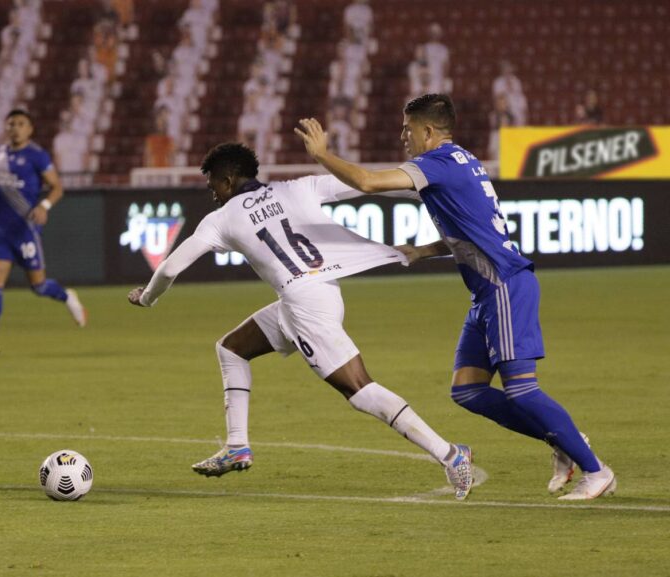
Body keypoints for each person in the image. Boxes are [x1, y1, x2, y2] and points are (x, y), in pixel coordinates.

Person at [294, 94, 616, 500]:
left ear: (428, 131)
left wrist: (323, 154)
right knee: (468, 391)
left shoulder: (437, 164)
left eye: (408, 128)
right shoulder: (464, 161)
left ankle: (595, 469)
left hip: (503, 284)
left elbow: (368, 182)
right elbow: (473, 228)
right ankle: (564, 442)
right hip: (486, 292)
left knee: (521, 390)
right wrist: (424, 250)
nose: (403, 135)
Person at [128, 142, 475, 500]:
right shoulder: (299, 187)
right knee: (231, 349)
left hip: (304, 304)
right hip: (320, 292)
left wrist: (147, 297)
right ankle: (236, 446)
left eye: (213, 184)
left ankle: (450, 453)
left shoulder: (221, 219)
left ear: (229, 180)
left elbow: (169, 267)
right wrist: (430, 197)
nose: (212, 192)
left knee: (359, 389)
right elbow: (366, 183)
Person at [0, 109, 87, 358]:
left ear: (30, 129)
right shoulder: (3, 152)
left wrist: (44, 206)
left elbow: (57, 187)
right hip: (1, 231)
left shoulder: (37, 156)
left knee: (38, 286)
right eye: (11, 123)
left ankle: (67, 296)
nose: (15, 127)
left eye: (21, 123)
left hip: (25, 231)